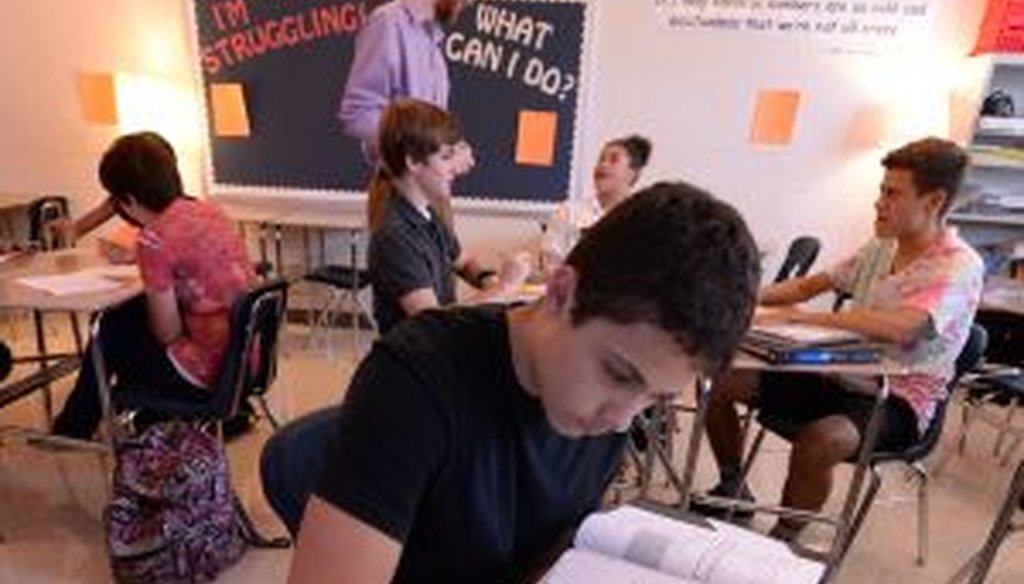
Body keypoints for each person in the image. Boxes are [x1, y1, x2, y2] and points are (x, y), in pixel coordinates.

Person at [271, 181, 762, 583]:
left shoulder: (605, 412)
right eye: (618, 374)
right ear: (562, 292)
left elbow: (547, 560)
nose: (620, 421)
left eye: (655, 398)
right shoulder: (415, 378)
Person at [700, 137, 984, 542]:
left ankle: (782, 542)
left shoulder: (958, 265)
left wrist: (804, 319)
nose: (878, 202)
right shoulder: (881, 247)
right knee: (719, 378)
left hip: (899, 398)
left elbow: (903, 326)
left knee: (822, 440)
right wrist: (738, 296)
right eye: (880, 191)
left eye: (892, 193)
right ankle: (733, 487)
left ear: (934, 201)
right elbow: (809, 285)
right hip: (839, 373)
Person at [51, 132, 256, 439]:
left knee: (110, 330)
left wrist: (146, 262)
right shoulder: (209, 211)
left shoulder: (154, 238)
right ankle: (87, 423)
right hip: (248, 356)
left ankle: (74, 428)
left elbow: (167, 333)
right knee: (123, 318)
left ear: (129, 200)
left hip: (211, 371)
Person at [367, 98, 530, 334]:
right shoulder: (394, 236)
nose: (455, 167)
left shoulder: (427, 215)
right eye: (445, 157)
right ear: (413, 161)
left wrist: (487, 278)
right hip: (415, 364)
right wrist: (504, 287)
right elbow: (433, 322)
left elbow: (462, 261)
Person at [338, 0, 475, 162]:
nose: (470, 3)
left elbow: (430, 135)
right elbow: (358, 114)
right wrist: (418, 148)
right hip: (392, 185)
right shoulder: (388, 22)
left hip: (420, 186)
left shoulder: (435, 48)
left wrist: (450, 149)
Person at [50, 131, 180, 262]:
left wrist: (136, 255)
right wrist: (65, 232)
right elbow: (76, 230)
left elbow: (179, 254)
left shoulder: (184, 212)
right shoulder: (121, 200)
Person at [541, 135, 652, 269]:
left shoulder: (643, 216)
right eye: (601, 159)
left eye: (613, 160)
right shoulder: (569, 212)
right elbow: (551, 264)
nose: (603, 165)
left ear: (632, 173)